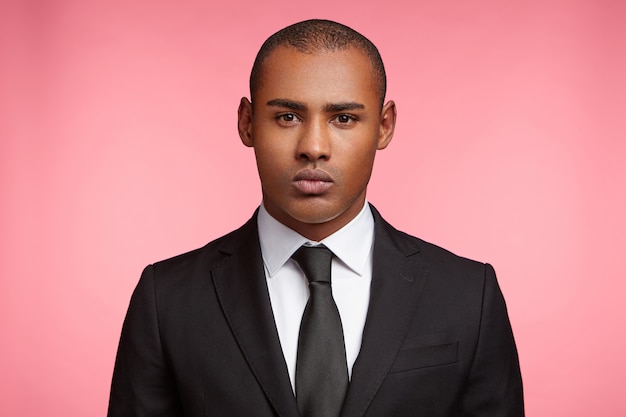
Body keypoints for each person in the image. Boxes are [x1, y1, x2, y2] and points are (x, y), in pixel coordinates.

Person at [108, 19, 524, 417]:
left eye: (344, 118)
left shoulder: (470, 296)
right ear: (247, 123)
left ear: (384, 126)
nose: (313, 147)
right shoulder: (167, 299)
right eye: (287, 116)